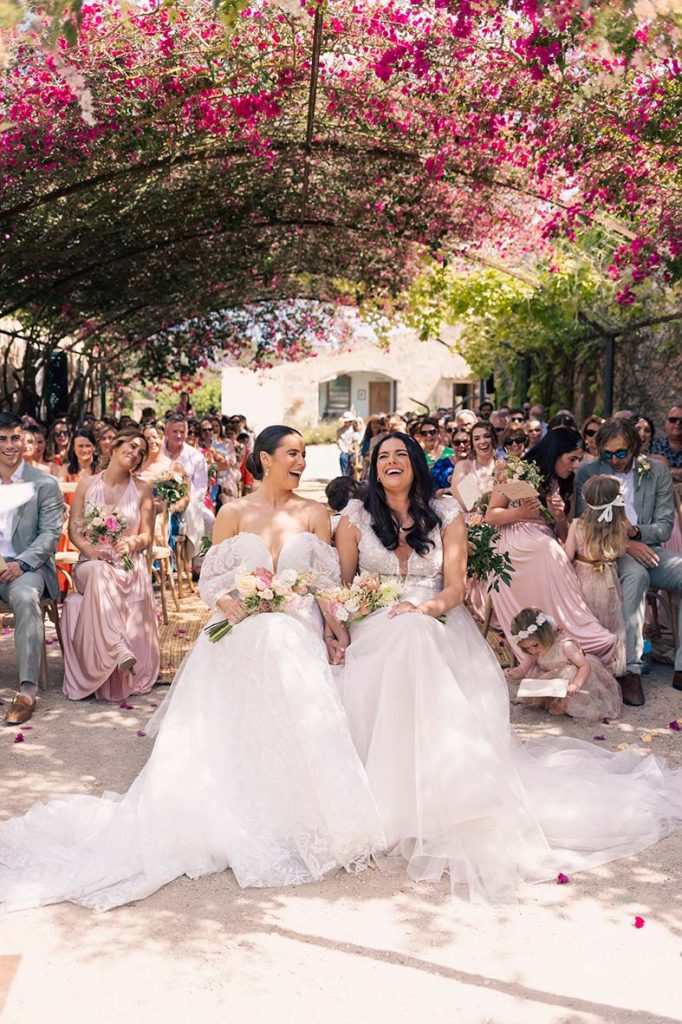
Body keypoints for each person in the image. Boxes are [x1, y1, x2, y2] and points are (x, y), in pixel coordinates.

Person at [0, 425, 383, 912]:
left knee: (282, 638)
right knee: (258, 639)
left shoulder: (315, 513)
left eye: (304, 454)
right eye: (292, 453)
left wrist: (335, 630)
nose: (301, 462)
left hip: (294, 620)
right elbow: (212, 582)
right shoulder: (232, 512)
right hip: (240, 619)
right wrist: (229, 603)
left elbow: (324, 582)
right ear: (265, 459)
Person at [326, 430, 682, 902]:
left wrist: (423, 610)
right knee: (403, 637)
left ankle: (438, 792)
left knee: (414, 635)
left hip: (434, 617)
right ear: (373, 469)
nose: (391, 461)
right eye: (382, 456)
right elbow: (342, 588)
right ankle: (384, 794)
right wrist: (338, 632)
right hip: (374, 624)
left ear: (415, 462)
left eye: (400, 454)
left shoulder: (446, 514)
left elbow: (455, 589)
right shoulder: (355, 518)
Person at [487, 428, 618, 668]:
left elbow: (566, 535)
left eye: (579, 459)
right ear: (556, 453)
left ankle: (574, 631)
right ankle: (558, 632)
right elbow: (491, 515)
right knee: (548, 550)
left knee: (553, 551)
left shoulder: (567, 485)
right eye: (572, 459)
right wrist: (521, 512)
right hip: (512, 538)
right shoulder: (516, 470)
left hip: (544, 538)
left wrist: (559, 517)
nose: (576, 465)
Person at [576, 417, 682, 704]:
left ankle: (681, 666)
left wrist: (635, 534)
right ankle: (631, 670)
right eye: (607, 454)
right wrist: (625, 544)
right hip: (609, 553)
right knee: (636, 576)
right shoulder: (588, 471)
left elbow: (664, 526)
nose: (614, 460)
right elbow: (585, 522)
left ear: (634, 447)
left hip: (648, 547)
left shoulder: (656, 471)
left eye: (621, 453)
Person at [60, 428, 160, 702]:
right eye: (131, 446)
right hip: (90, 562)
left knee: (108, 572)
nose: (135, 453)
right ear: (115, 447)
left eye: (141, 452)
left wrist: (131, 543)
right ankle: (117, 648)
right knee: (98, 569)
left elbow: (146, 535)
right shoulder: (86, 484)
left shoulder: (142, 489)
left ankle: (118, 652)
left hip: (126, 563)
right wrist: (92, 551)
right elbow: (74, 530)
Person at [0, 413, 63, 725]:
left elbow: (50, 534)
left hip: (27, 568)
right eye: (2, 439)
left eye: (15, 438)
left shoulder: (44, 484)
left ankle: (27, 691)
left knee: (25, 597)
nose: (10, 445)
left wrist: (21, 563)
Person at [505, 608, 622, 722]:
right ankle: (553, 699)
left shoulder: (565, 646)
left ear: (546, 634)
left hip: (576, 677)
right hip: (553, 680)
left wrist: (576, 684)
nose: (532, 650)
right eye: (527, 648)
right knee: (534, 690)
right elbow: (523, 669)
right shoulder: (533, 652)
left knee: (570, 675)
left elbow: (584, 666)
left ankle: (564, 704)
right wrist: (515, 672)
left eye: (535, 645)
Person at [564, 475, 628, 677]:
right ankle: (611, 663)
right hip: (608, 579)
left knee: (587, 619)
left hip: (583, 578)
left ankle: (586, 660)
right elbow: (621, 552)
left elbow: (567, 555)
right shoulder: (618, 526)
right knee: (610, 618)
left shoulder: (577, 525)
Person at [449, 420, 502, 507]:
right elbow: (471, 504)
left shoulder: (505, 466)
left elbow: (515, 501)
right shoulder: (463, 467)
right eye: (477, 438)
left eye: (487, 436)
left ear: (494, 439)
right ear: (472, 444)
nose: (482, 441)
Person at [651, 405, 682, 484]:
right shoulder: (652, 446)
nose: (678, 423)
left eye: (681, 421)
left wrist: (665, 471)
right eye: (673, 420)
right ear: (665, 423)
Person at [337, 413, 360, 477]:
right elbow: (340, 443)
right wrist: (347, 450)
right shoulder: (340, 431)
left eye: (350, 421)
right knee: (343, 458)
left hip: (355, 451)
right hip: (346, 451)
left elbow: (358, 442)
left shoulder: (355, 430)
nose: (349, 423)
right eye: (348, 421)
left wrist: (355, 450)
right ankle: (345, 476)